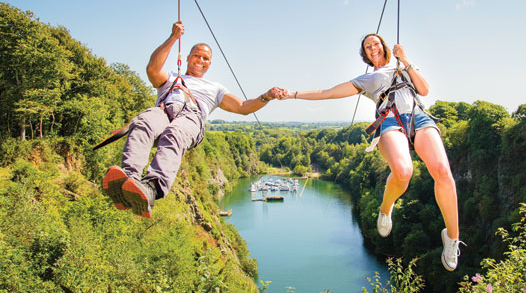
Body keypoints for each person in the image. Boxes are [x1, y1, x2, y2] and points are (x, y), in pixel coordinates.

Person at [280, 33, 463, 271]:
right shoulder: (368, 79)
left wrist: (405, 59)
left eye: (375, 43)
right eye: (367, 47)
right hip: (389, 120)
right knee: (403, 171)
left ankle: (452, 238)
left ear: (384, 46)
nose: (372, 48)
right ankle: (386, 209)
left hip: (418, 116)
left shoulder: (403, 66)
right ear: (365, 54)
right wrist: (294, 94)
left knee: (442, 171)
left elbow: (424, 90)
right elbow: (328, 92)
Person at [103, 21, 284, 219]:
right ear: (187, 58)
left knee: (175, 134)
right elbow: (152, 70)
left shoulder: (215, 88)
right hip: (164, 110)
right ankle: (129, 179)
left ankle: (151, 187)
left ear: (209, 63)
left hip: (191, 117)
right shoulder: (172, 77)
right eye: (196, 55)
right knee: (143, 121)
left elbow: (243, 107)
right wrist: (173, 38)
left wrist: (267, 96)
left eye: (205, 58)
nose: (200, 60)